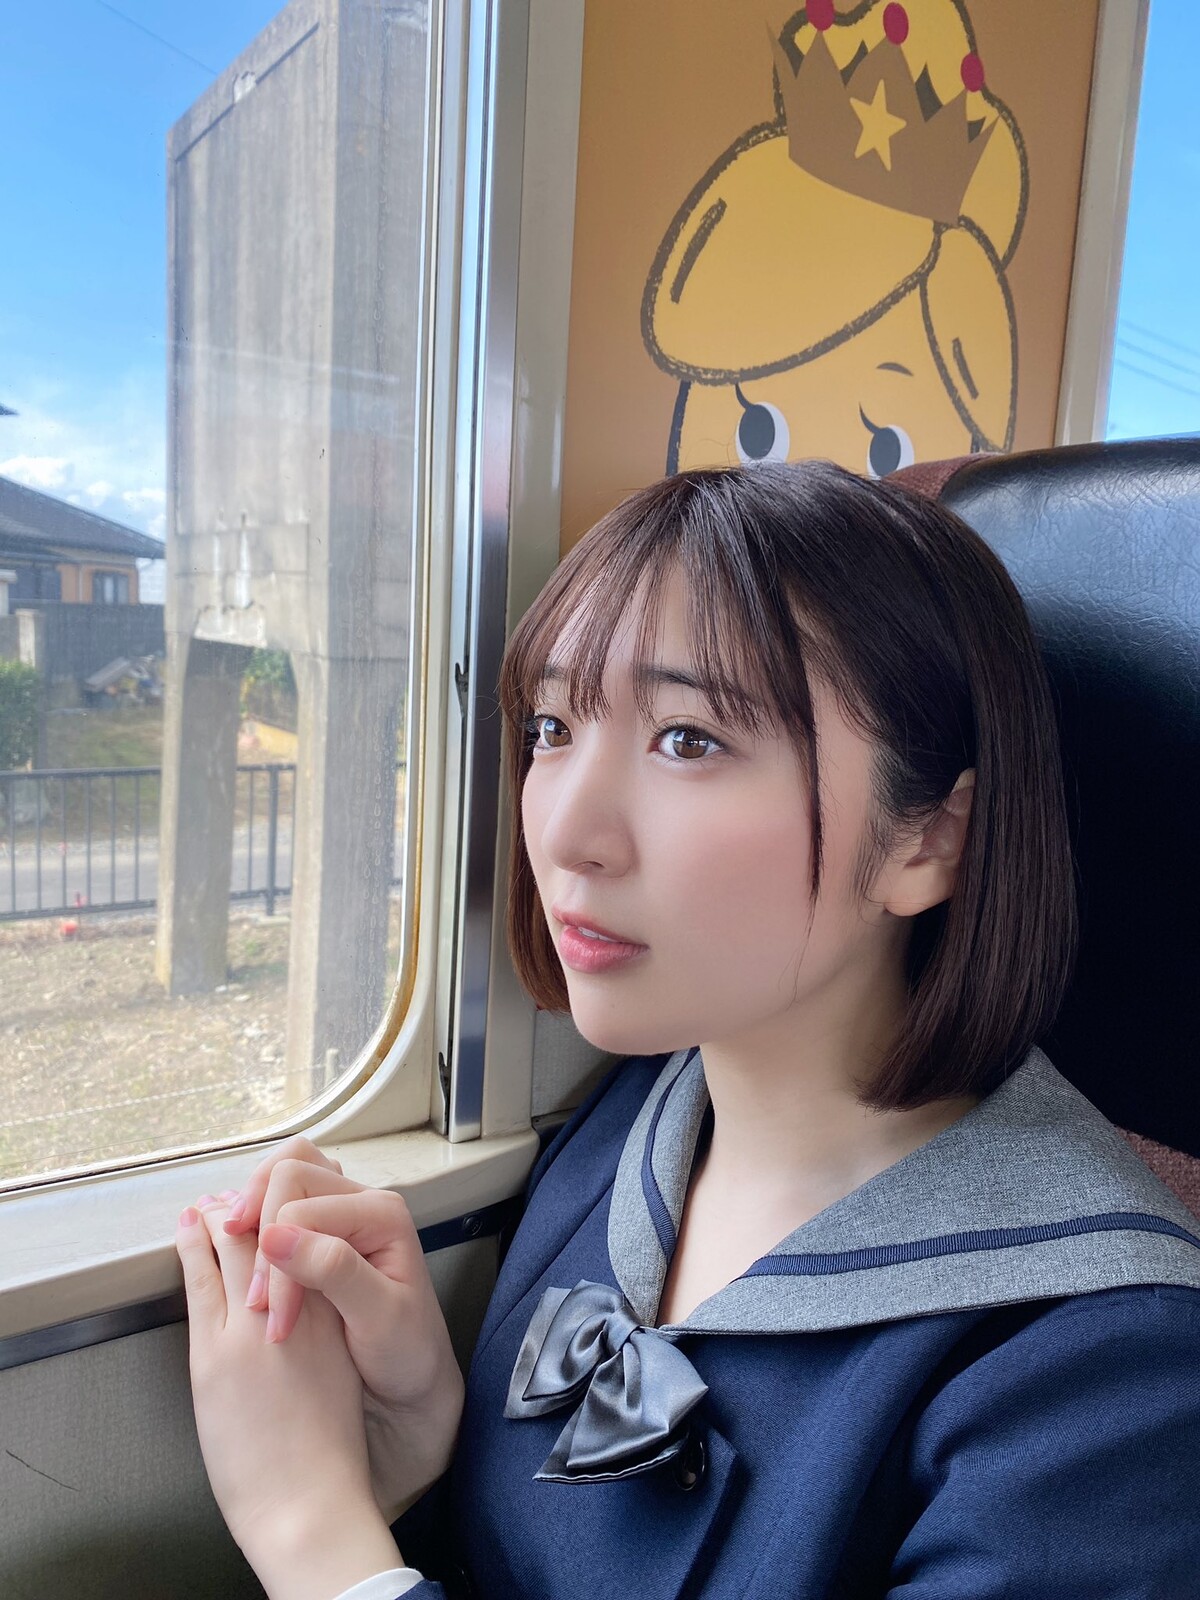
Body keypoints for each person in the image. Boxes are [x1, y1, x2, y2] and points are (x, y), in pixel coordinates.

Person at [176, 462, 1200, 1600]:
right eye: (553, 726)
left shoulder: (1112, 1379)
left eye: (689, 739)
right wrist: (416, 1448)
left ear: (929, 840)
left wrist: (316, 1537)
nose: (567, 831)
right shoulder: (639, 1117)